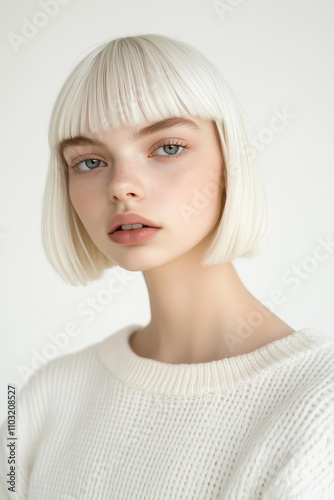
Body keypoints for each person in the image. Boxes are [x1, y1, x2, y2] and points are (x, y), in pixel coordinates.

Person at [1, 33, 333, 499]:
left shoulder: (319, 402)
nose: (121, 186)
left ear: (230, 158)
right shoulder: (43, 397)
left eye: (168, 148)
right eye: (90, 161)